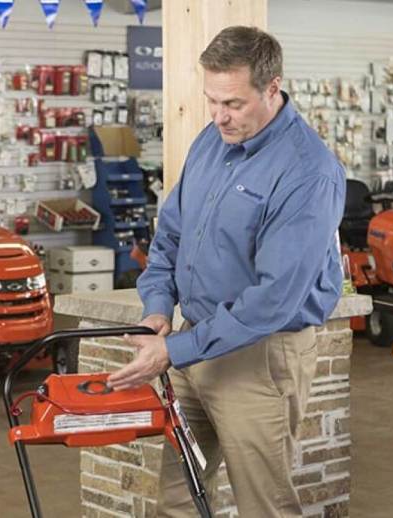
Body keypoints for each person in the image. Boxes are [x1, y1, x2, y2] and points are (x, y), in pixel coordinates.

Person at [107, 26, 346, 518]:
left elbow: (273, 299)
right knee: (179, 498)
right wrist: (157, 310)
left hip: (259, 357)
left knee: (265, 505)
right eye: (212, 101)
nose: (219, 116)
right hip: (193, 346)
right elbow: (171, 233)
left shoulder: (308, 171)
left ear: (272, 87)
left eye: (233, 103)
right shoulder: (209, 143)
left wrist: (172, 350)